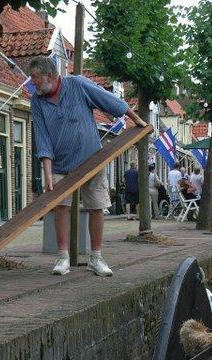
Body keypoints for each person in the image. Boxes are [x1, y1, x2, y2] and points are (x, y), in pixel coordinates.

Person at [29, 56, 147, 276]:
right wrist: (47, 173)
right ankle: (63, 257)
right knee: (60, 207)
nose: (32, 81)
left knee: (96, 206)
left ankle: (96, 257)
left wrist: (136, 119)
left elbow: (109, 101)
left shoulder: (78, 84)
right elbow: (42, 138)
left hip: (91, 160)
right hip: (60, 164)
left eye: (35, 77)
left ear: (49, 75)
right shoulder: (36, 102)